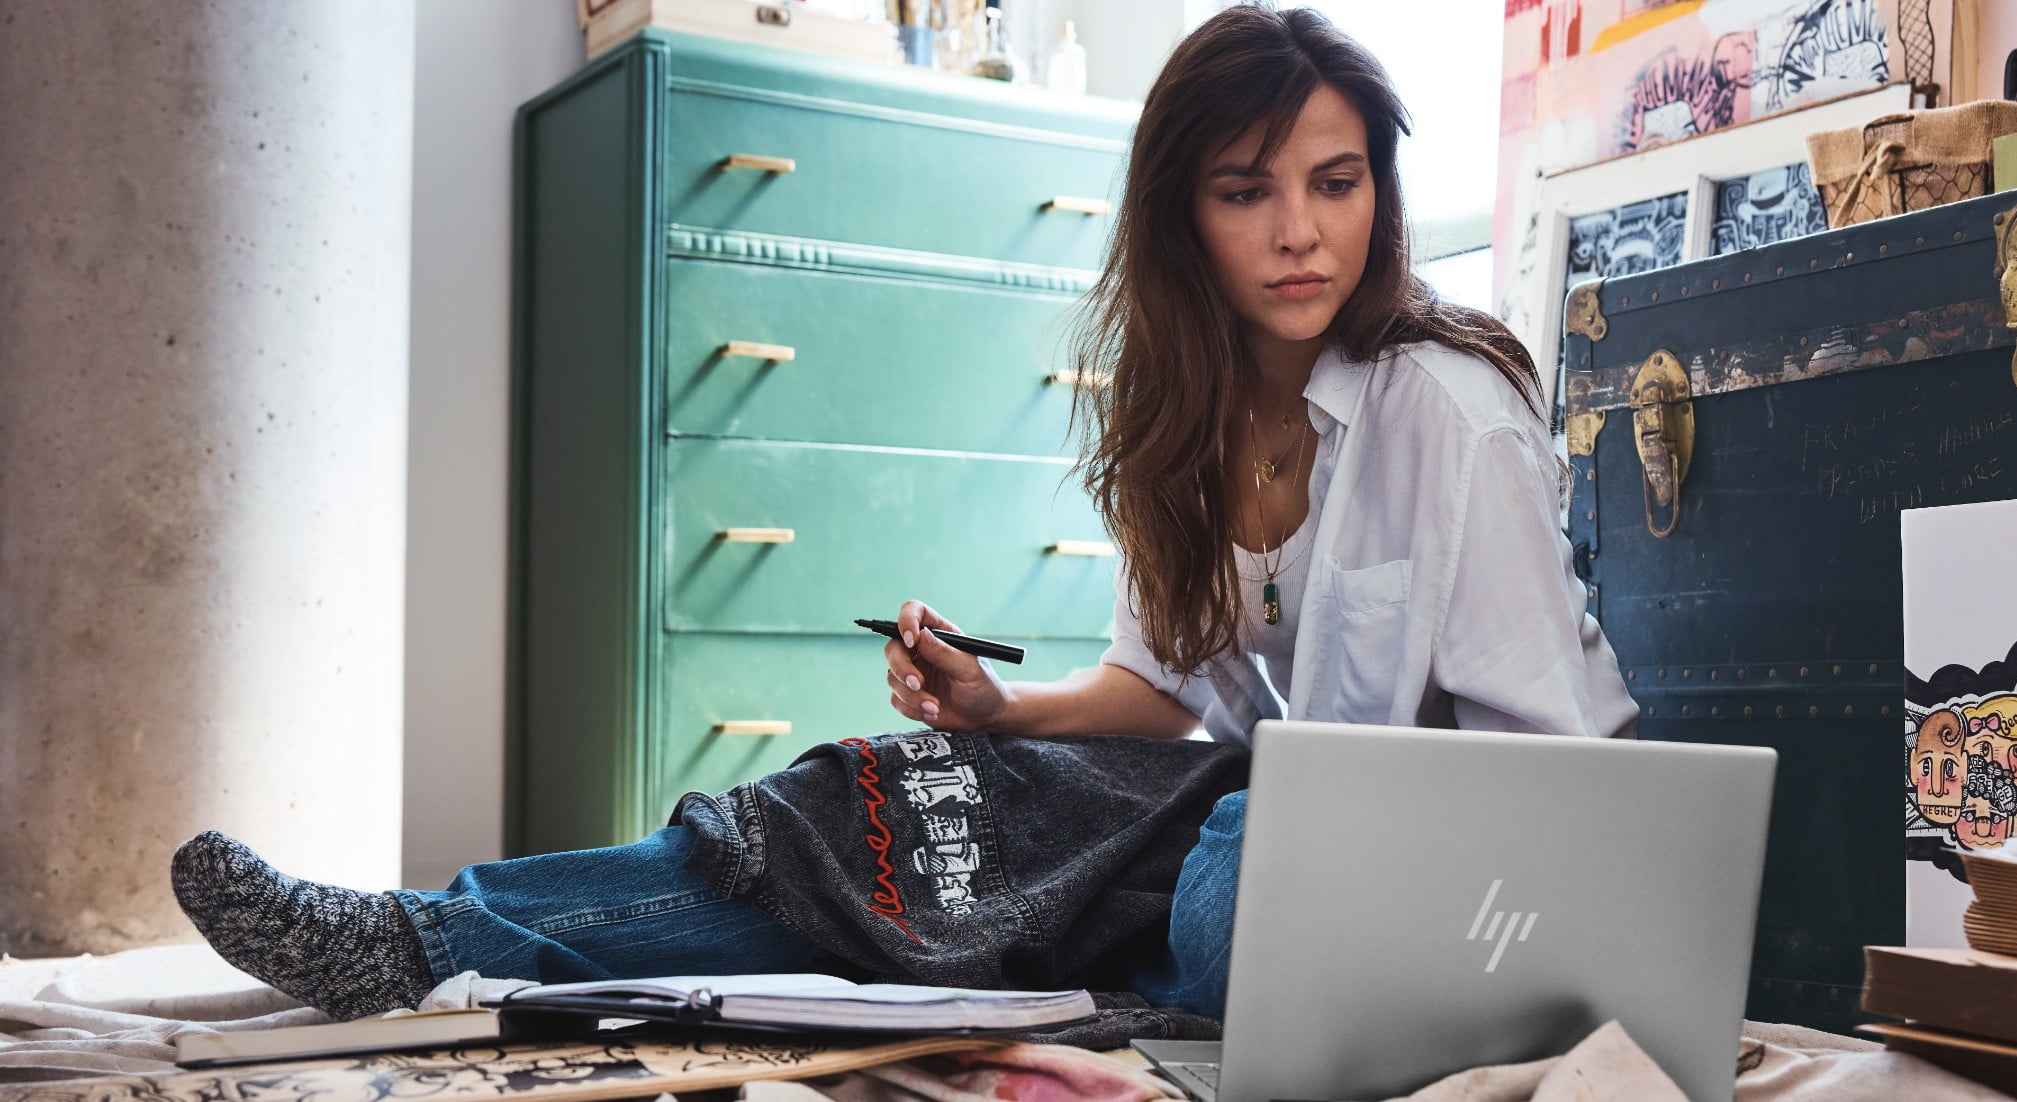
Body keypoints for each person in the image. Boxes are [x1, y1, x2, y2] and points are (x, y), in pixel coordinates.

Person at [170, 4, 1634, 1024]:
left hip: (1411, 869)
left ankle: (1046, 948)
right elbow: (1170, 689)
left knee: (1223, 880)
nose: (1303, 231)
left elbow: (1558, 761)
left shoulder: (1447, 408)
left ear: (1382, 185)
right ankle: (429, 937)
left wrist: (1295, 827)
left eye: (1339, 181)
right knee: (888, 813)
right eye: (1250, 191)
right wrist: (1002, 714)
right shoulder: (1182, 419)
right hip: (1235, 822)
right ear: (1183, 214)